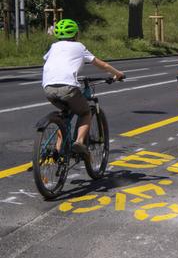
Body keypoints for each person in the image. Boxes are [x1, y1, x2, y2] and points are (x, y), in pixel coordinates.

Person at [42, 19, 125, 158]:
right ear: (76, 34)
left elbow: (53, 62)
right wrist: (118, 74)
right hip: (68, 87)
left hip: (48, 88)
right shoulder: (79, 46)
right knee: (85, 112)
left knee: (65, 115)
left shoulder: (54, 46)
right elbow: (102, 65)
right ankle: (79, 142)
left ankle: (57, 150)